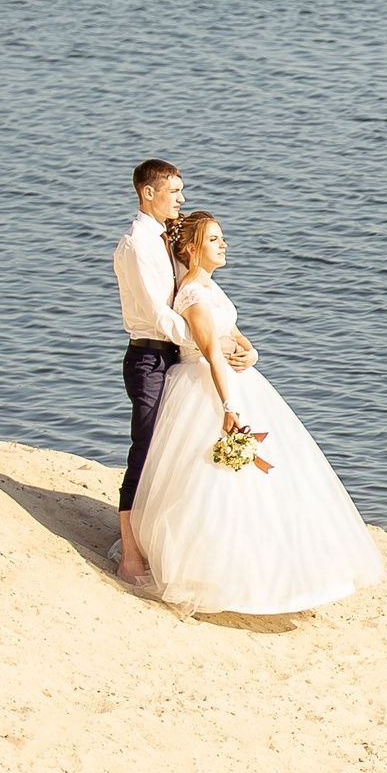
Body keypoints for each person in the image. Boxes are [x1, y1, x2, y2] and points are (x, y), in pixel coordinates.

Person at [128, 211, 385, 615]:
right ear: (193, 251)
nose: (224, 245)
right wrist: (229, 407)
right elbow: (211, 351)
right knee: (216, 483)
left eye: (222, 238)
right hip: (207, 386)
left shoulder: (209, 288)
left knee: (268, 481)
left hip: (237, 379)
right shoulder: (192, 294)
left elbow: (232, 335)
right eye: (214, 240)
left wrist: (252, 351)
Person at [111, 161, 250, 585]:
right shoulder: (137, 244)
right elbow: (158, 314)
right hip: (150, 357)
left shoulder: (167, 240)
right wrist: (206, 346)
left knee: (177, 451)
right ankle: (130, 556)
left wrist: (230, 346)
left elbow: (198, 293)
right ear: (148, 193)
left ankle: (164, 538)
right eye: (174, 190)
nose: (181, 198)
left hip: (177, 357)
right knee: (146, 449)